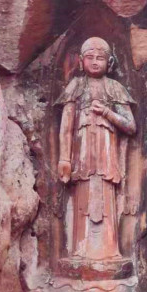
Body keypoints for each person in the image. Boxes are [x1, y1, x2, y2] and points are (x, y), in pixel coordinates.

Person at [55, 37, 135, 264]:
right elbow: (66, 127)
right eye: (90, 57)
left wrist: (108, 113)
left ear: (109, 62)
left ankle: (110, 251)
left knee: (107, 198)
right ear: (81, 61)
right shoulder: (76, 86)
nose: (95, 62)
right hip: (81, 155)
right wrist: (64, 159)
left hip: (107, 154)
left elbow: (130, 126)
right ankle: (80, 250)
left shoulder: (114, 88)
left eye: (100, 58)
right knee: (82, 199)